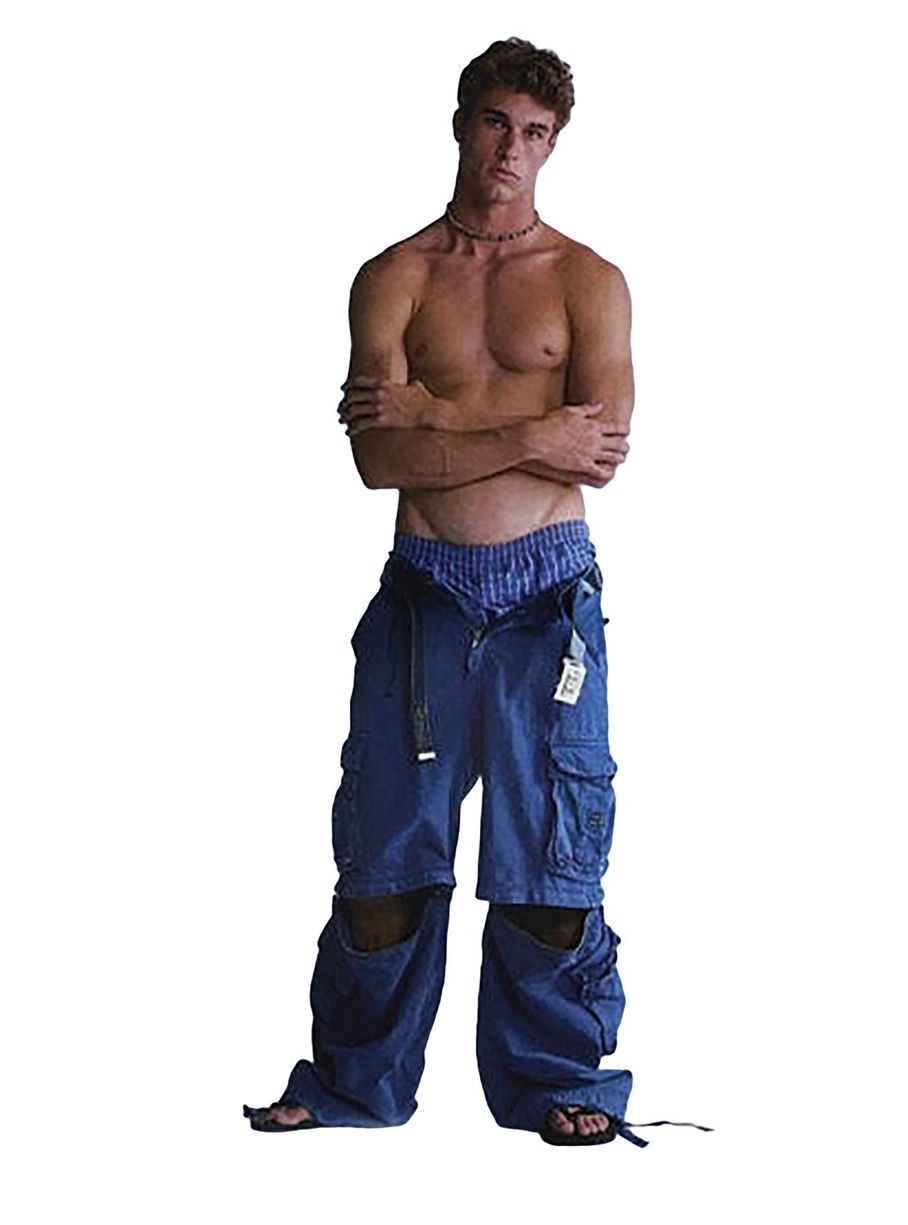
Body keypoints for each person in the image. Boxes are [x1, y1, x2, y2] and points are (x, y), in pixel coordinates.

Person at [245, 36, 646, 1147]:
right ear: (461, 123)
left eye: (535, 134)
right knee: (383, 852)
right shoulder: (395, 277)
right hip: (424, 593)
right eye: (495, 123)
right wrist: (524, 431)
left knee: (551, 855)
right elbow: (379, 461)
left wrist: (436, 413)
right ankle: (352, 1083)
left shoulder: (588, 280)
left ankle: (556, 1081)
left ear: (553, 145)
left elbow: (598, 451)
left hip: (546, 601)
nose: (511, 150)